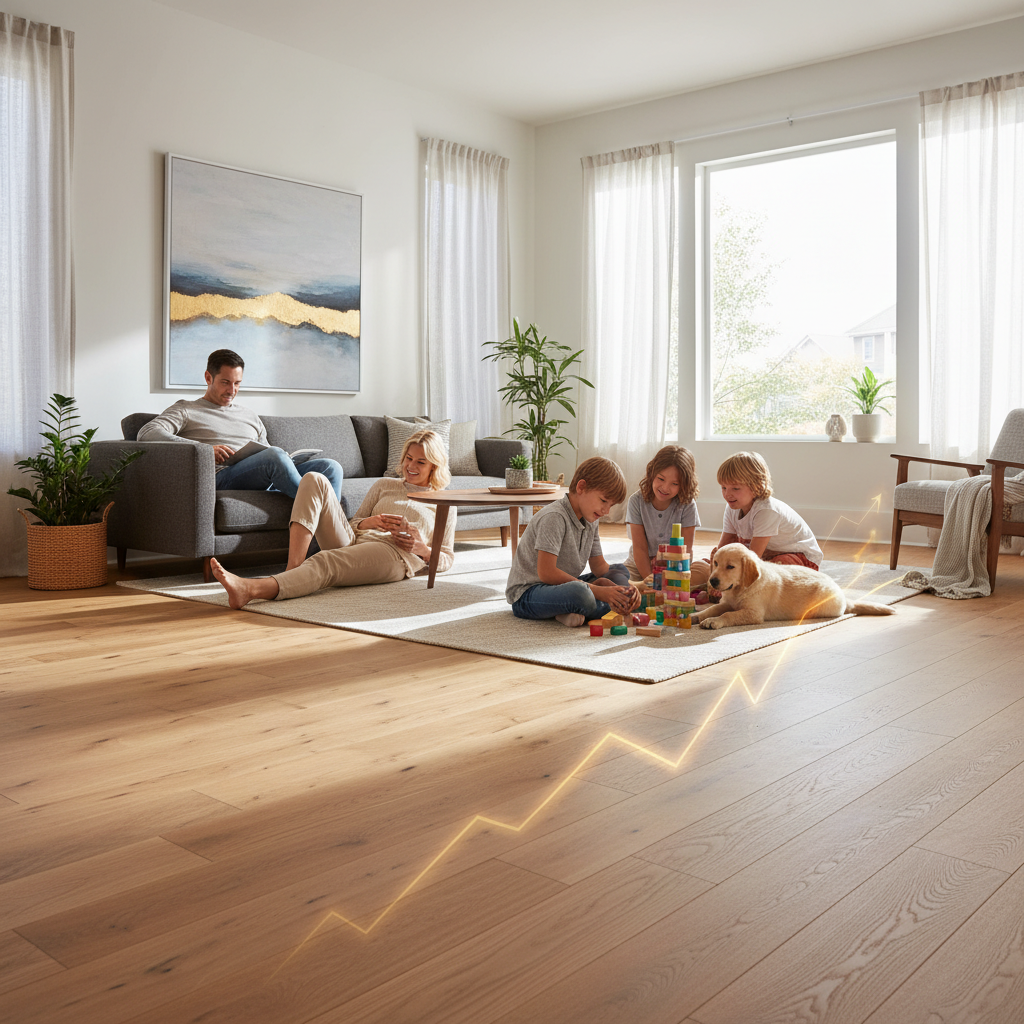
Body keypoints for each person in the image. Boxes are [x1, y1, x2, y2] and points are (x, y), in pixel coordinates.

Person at [211, 429, 455, 609]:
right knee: (314, 478)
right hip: (354, 541)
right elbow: (353, 523)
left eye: (420, 462)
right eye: (408, 458)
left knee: (325, 561)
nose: (410, 466)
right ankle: (293, 570)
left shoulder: (444, 502)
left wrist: (421, 548)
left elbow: (446, 558)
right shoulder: (384, 485)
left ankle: (250, 589)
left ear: (435, 466)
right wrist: (370, 522)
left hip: (394, 554)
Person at [138, 348, 344, 499]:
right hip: (224, 478)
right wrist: (202, 449)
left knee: (330, 467)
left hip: (263, 475)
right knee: (274, 456)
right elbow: (147, 432)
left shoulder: (250, 415)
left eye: (237, 383)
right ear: (208, 377)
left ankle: (323, 539)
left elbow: (267, 451)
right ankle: (328, 516)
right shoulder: (186, 409)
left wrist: (287, 460)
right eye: (225, 382)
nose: (232, 390)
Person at [506, 455, 639, 627]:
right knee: (580, 594)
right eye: (603, 501)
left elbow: (600, 567)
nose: (606, 510)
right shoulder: (554, 517)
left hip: (563, 587)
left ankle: (574, 608)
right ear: (582, 487)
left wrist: (628, 588)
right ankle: (588, 604)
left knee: (619, 572)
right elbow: (546, 573)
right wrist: (598, 591)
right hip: (528, 594)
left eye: (611, 505)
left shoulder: (591, 519)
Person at [690, 451, 823, 592]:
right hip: (761, 557)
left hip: (799, 558)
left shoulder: (767, 510)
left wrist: (721, 581)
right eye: (723, 487)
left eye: (735, 488)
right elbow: (723, 548)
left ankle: (736, 592)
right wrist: (714, 569)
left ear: (757, 486)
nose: (727, 494)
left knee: (773, 571)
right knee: (707, 562)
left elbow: (753, 559)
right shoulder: (732, 507)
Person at [623, 445, 700, 582]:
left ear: (684, 484)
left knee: (703, 572)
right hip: (639, 566)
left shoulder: (687, 504)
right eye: (661, 479)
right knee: (619, 582)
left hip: (673, 566)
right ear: (652, 473)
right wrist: (650, 581)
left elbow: (686, 550)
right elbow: (639, 549)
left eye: (674, 484)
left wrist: (672, 575)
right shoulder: (636, 501)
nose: (665, 488)